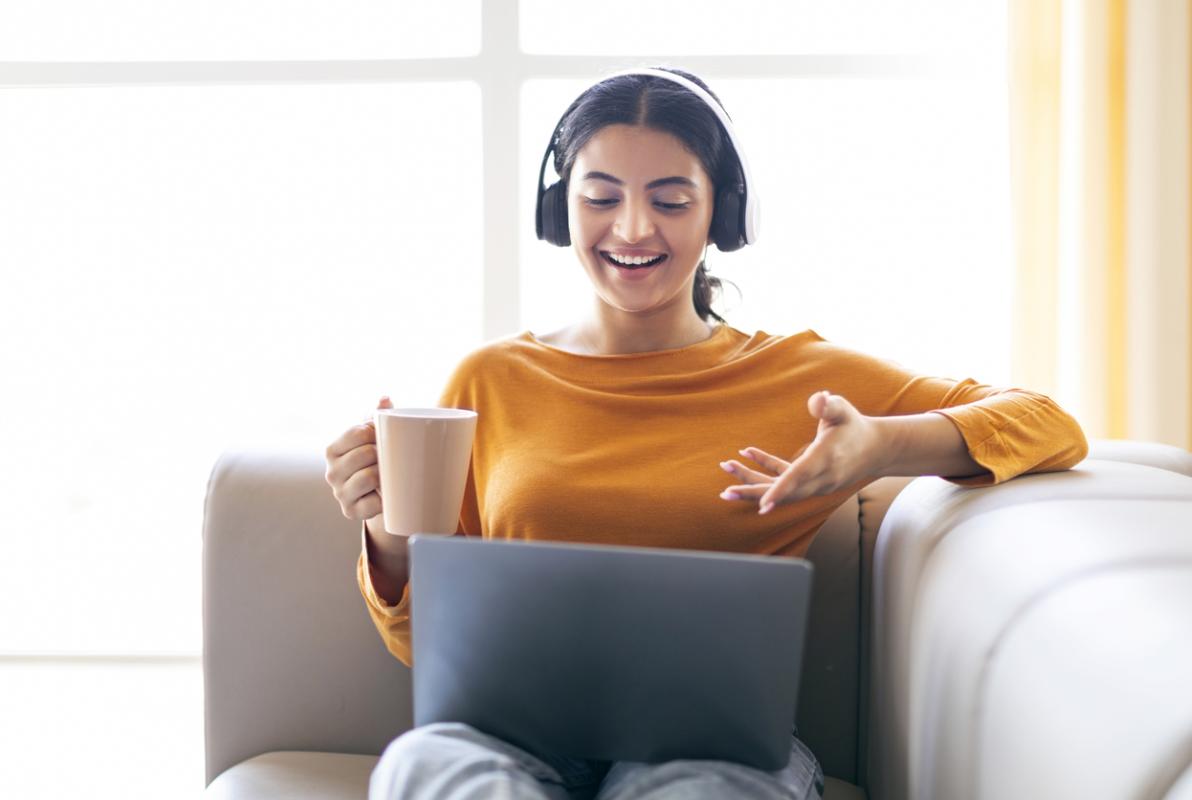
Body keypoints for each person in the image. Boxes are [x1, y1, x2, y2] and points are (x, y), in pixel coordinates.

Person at [323, 65, 1089, 800]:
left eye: (670, 200)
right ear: (562, 211)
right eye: (600, 197)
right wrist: (388, 536)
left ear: (721, 212)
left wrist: (879, 447)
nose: (631, 228)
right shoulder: (490, 379)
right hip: (513, 732)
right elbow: (424, 647)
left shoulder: (798, 375)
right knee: (426, 765)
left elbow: (1048, 423)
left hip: (711, 742)